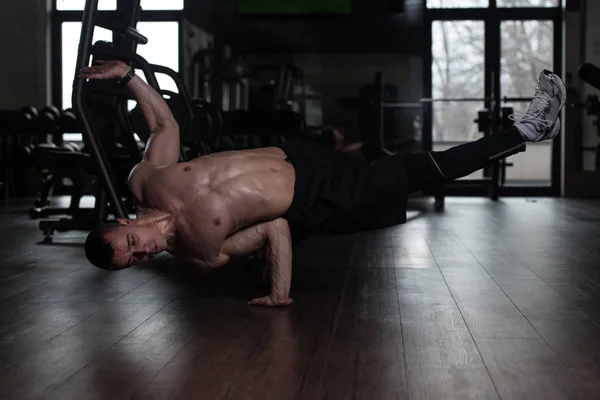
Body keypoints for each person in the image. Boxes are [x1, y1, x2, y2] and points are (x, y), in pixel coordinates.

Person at [81, 60, 566, 307]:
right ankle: (526, 130)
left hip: (302, 158)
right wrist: (279, 292)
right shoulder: (201, 251)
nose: (142, 253)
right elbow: (275, 230)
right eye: (135, 260)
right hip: (315, 199)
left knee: (402, 166)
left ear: (123, 221)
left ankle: (524, 132)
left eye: (130, 243)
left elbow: (167, 129)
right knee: (414, 170)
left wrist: (128, 78)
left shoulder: (147, 179)